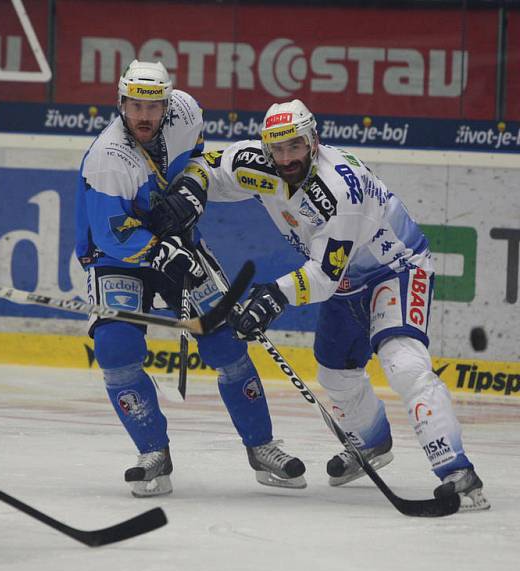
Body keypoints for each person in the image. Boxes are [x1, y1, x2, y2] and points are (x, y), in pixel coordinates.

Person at [183, 99, 488, 511]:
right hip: (345, 280)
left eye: (295, 146)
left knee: (404, 365)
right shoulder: (257, 162)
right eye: (278, 148)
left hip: (396, 269)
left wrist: (271, 297)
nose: (287, 158)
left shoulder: (339, 189)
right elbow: (204, 168)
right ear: (266, 147)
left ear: (313, 141)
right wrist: (183, 197)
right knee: (336, 374)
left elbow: (323, 277)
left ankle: (457, 472)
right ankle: (373, 442)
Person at [75, 60, 306, 497]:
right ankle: (153, 453)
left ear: (167, 104)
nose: (144, 116)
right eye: (135, 105)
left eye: (152, 106)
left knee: (226, 340)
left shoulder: (186, 112)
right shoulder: (109, 157)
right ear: (120, 103)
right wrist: (161, 251)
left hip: (178, 241)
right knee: (115, 348)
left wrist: (191, 190)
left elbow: (199, 160)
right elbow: (111, 231)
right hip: (118, 254)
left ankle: (262, 447)